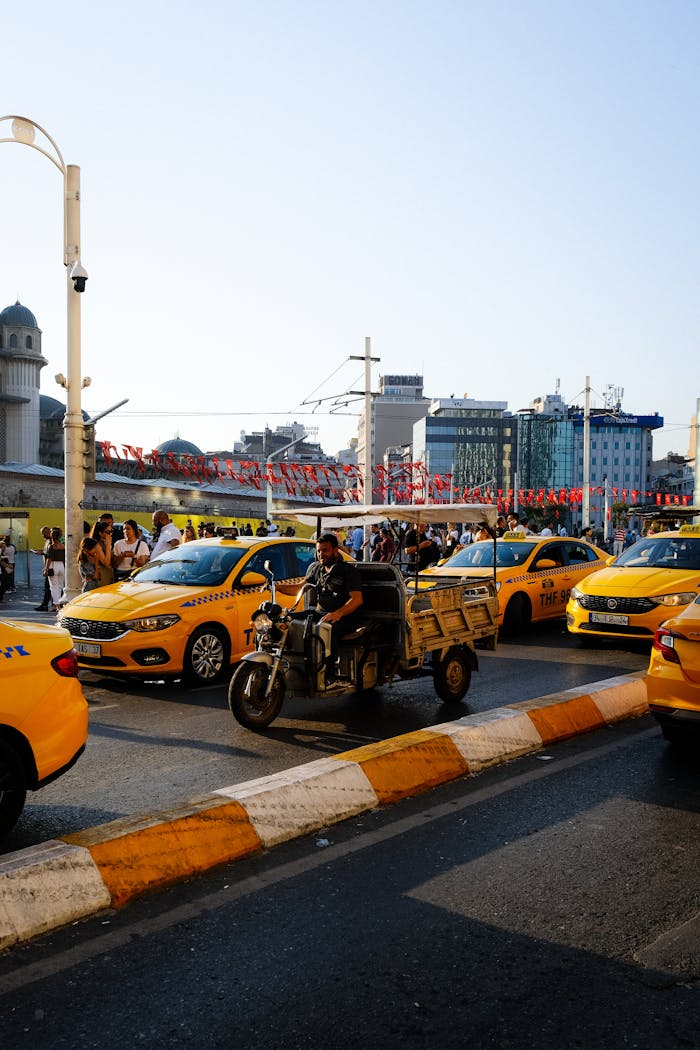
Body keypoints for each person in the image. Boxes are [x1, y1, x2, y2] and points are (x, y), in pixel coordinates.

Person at [278, 532, 363, 679]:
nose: (321, 554)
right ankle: (293, 663)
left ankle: (330, 675)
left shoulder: (348, 571)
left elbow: (357, 599)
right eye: (318, 551)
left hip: (344, 618)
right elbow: (299, 588)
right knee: (287, 619)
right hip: (319, 613)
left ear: (335, 550)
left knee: (326, 630)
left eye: (325, 550)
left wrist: (338, 613)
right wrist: (276, 586)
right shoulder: (317, 569)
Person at [31, 525, 53, 611]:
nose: (43, 536)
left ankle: (47, 605)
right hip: (48, 566)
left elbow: (50, 555)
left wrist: (46, 568)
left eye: (44, 534)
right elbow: (47, 553)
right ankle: (46, 604)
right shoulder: (47, 541)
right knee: (49, 587)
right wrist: (42, 552)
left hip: (51, 567)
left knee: (50, 587)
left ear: (49, 532)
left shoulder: (52, 542)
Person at [45, 527, 66, 611]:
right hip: (61, 566)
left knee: (53, 586)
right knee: (60, 586)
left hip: (53, 566)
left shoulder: (51, 546)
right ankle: (60, 603)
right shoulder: (63, 546)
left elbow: (49, 558)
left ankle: (57, 605)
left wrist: (46, 569)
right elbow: (64, 558)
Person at [90, 519, 115, 586]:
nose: (110, 534)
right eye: (108, 532)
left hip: (108, 575)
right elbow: (106, 563)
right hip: (102, 577)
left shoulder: (105, 543)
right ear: (100, 533)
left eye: (111, 531)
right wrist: (108, 546)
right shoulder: (97, 545)